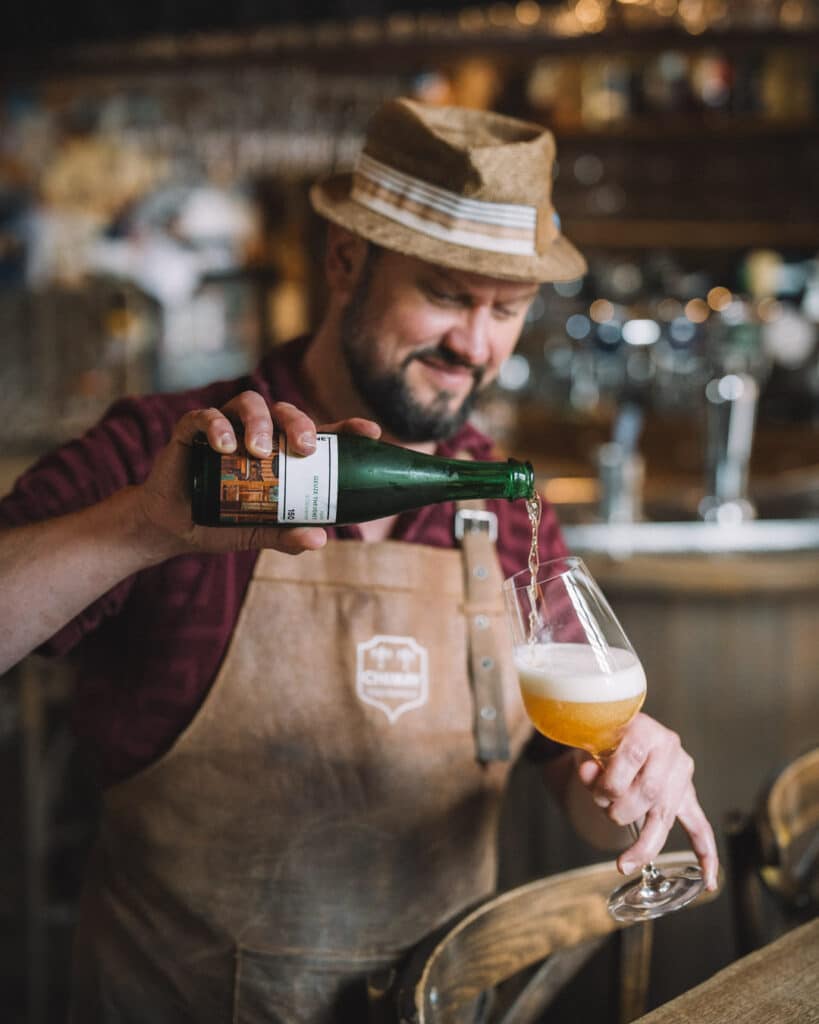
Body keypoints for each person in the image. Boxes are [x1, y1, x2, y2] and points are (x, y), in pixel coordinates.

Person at [0, 97, 718, 1023]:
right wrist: (141, 528)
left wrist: (629, 783)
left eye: (506, 309)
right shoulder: (172, 455)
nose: (475, 345)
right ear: (344, 261)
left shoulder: (497, 502)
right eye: (447, 295)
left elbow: (572, 784)